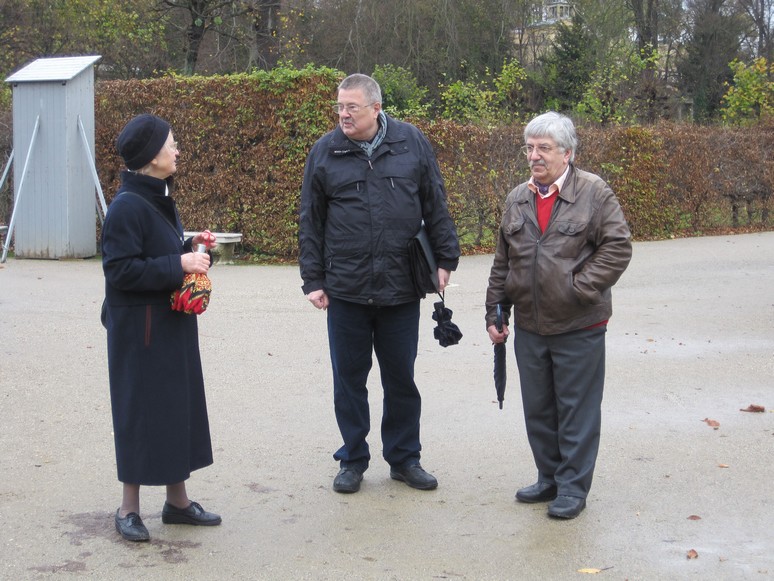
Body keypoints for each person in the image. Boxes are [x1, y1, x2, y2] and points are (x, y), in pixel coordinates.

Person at [299, 74, 461, 494]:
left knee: (400, 378)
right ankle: (352, 459)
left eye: (351, 107)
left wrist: (446, 258)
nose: (343, 114)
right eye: (339, 107)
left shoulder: (411, 143)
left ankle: (405, 458)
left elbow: (435, 201)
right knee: (349, 380)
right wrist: (312, 279)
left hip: (400, 286)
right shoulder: (325, 151)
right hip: (346, 288)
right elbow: (310, 221)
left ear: (376, 108)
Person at [485, 112, 632, 519]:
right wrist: (495, 312)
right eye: (530, 148)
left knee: (576, 410)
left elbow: (618, 248)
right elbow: (503, 262)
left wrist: (577, 288)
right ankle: (548, 477)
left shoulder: (594, 193)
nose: (535, 156)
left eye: (544, 148)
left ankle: (572, 488)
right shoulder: (518, 197)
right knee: (539, 407)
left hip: (578, 324)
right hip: (531, 325)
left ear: (567, 153)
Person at [102, 114, 221, 541]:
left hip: (168, 324)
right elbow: (120, 271)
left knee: (176, 408)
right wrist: (180, 263)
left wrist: (191, 248)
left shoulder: (155, 196)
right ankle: (128, 509)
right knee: (139, 412)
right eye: (172, 144)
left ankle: (178, 502)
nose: (177, 150)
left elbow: (156, 252)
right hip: (140, 332)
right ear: (152, 155)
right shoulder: (126, 206)